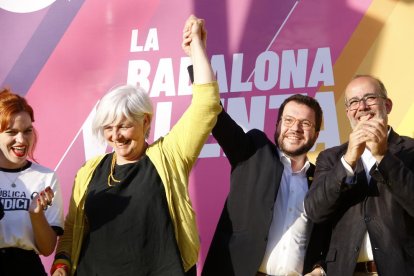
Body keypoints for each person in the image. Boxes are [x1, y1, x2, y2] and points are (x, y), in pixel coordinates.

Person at [50, 15, 221, 276]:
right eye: (108, 128)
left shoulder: (169, 156)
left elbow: (206, 104)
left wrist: (195, 47)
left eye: (124, 126)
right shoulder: (89, 171)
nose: (116, 136)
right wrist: (61, 265)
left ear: (145, 121)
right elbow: (72, 230)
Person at [304, 75, 414, 275]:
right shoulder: (330, 158)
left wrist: (383, 156)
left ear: (387, 105)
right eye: (354, 102)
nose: (362, 107)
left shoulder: (411, 150)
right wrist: (347, 162)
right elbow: (315, 211)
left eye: (370, 98)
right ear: (348, 113)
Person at [0, 88, 64, 275]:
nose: (21, 140)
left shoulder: (46, 177)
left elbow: (47, 249)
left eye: (27, 131)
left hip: (27, 268)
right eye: (12, 132)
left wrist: (36, 215)